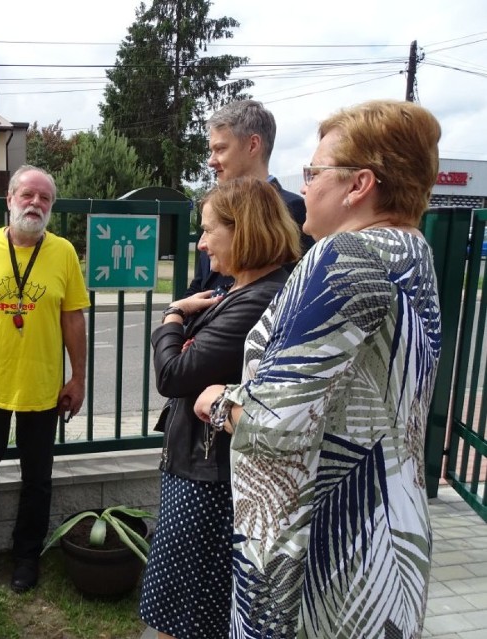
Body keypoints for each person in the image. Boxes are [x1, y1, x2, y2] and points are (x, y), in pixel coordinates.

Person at [195, 100, 442, 638]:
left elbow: (277, 422)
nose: (304, 186)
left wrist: (216, 401)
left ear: (360, 185)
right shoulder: (414, 256)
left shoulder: (344, 256)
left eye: (314, 172)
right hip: (392, 537)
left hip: (323, 561)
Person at [139, 177, 301, 639]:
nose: (202, 243)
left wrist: (172, 315)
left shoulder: (259, 297)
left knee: (185, 611)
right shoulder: (240, 289)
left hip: (207, 480)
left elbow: (173, 375)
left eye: (210, 230)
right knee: (181, 603)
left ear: (245, 229)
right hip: (196, 466)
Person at [0, 164, 89, 595]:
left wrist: (77, 377)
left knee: (37, 481)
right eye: (27, 195)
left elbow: (73, 319)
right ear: (9, 200)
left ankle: (27, 557)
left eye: (45, 198)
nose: (35, 204)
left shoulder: (63, 252)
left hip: (43, 388)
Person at [186, 100, 311, 296]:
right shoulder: (215, 209)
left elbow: (287, 295)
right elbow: (201, 284)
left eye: (220, 149)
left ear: (253, 145)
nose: (211, 161)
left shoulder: (291, 209)